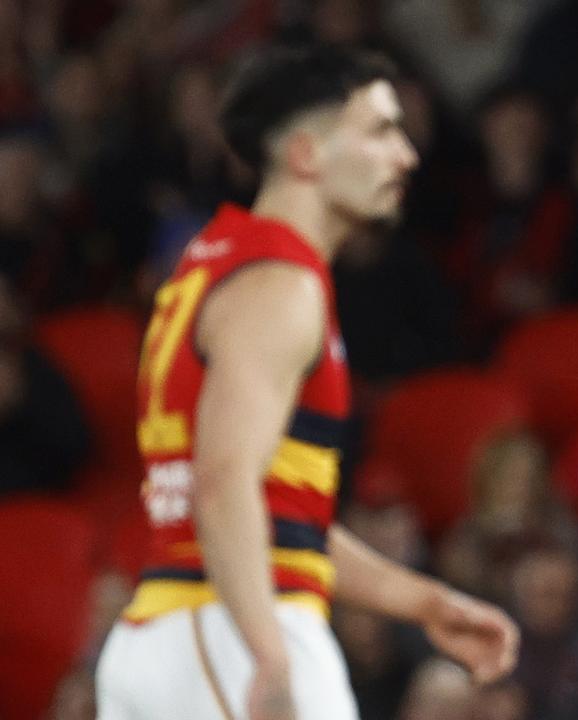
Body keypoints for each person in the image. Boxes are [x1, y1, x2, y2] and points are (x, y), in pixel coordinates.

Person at [95, 45, 519, 720]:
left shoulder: (222, 264)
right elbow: (223, 483)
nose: (406, 156)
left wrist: (422, 602)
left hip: (187, 631)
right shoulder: (280, 286)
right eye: (381, 130)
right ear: (305, 155)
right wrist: (268, 656)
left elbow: (277, 515)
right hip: (229, 628)